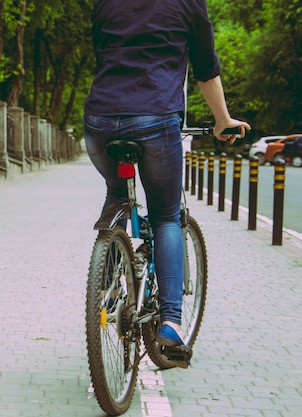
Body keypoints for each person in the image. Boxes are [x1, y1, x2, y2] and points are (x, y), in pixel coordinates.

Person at [83, 0, 250, 351]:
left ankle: (108, 287)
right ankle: (171, 322)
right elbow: (205, 68)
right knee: (165, 217)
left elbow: (104, 53)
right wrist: (222, 120)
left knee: (117, 195)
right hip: (156, 116)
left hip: (99, 120)